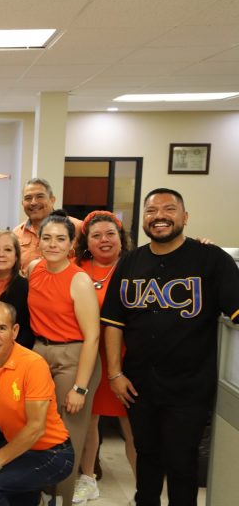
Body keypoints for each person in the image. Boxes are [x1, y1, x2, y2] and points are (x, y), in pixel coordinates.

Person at [102, 188, 239, 506]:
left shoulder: (211, 260)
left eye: (169, 209)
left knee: (181, 461)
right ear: (143, 219)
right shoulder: (130, 262)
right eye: (151, 211)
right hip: (139, 384)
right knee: (146, 456)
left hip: (189, 386)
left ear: (185, 217)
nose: (159, 216)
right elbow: (113, 322)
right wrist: (114, 374)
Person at [0, 302, 75, 506]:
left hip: (53, 453)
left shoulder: (33, 364)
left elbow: (36, 428)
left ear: (15, 331)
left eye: (1, 328)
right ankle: (35, 500)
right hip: (17, 447)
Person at [26, 212, 101, 504]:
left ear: (71, 244)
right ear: (38, 241)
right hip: (40, 353)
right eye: (46, 238)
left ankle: (63, 499)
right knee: (38, 429)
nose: (52, 244)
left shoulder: (79, 280)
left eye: (60, 239)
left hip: (75, 356)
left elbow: (92, 337)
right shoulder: (34, 268)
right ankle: (44, 494)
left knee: (67, 437)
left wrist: (80, 387)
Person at [69, 210, 136, 503]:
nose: (104, 240)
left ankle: (143, 488)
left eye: (110, 234)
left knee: (133, 426)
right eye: (96, 235)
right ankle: (88, 478)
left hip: (126, 358)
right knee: (88, 422)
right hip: (90, 357)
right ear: (87, 241)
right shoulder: (77, 267)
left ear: (121, 238)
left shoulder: (135, 266)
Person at [14, 178, 81, 271]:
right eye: (28, 198)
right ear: (22, 203)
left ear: (52, 200)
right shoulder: (16, 233)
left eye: (40, 196)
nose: (33, 202)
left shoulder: (77, 227)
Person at [0, 230, 33, 350]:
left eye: (8, 250)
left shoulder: (25, 287)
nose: (1, 254)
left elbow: (27, 330)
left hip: (14, 353)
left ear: (16, 256)